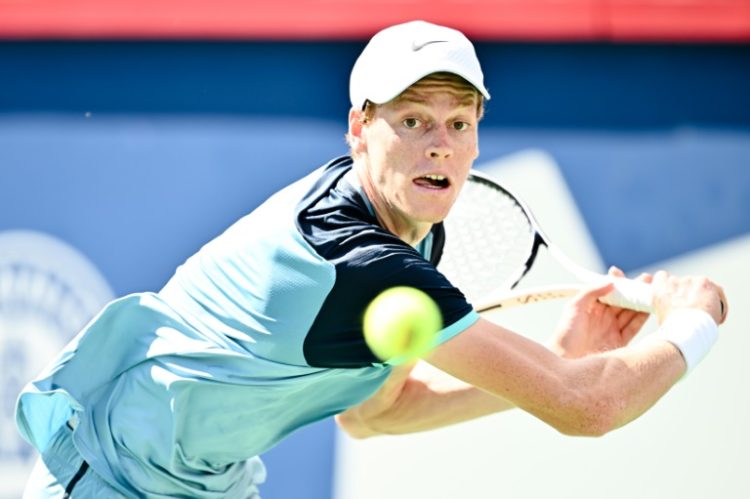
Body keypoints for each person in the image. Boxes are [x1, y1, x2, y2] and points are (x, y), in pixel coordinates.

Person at [16, 20, 728, 498]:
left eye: (458, 122)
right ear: (360, 127)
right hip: (107, 480)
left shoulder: (411, 232)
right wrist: (694, 321)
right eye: (412, 120)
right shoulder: (361, 261)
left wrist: (559, 355)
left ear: (478, 134)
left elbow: (375, 414)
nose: (439, 145)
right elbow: (589, 407)